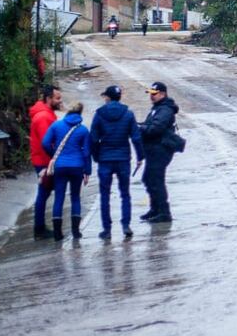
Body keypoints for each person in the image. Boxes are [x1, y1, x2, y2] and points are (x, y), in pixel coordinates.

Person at [90, 84, 144, 239]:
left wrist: (96, 156)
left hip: (105, 159)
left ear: (107, 97)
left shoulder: (99, 114)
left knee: (105, 194)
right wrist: (140, 156)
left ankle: (106, 229)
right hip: (123, 159)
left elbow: (93, 138)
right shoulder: (128, 114)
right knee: (125, 193)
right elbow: (135, 137)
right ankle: (126, 225)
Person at [41, 101, 91, 241]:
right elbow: (87, 152)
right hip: (77, 167)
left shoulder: (56, 125)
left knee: (59, 198)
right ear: (80, 113)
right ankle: (76, 232)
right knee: (75, 197)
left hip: (60, 167)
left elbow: (45, 143)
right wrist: (87, 171)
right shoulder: (83, 130)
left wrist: (54, 156)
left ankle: (58, 233)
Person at [138, 81, 179, 224]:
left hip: (161, 148)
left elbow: (155, 128)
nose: (151, 97)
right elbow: (150, 125)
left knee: (156, 180)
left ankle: (163, 212)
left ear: (163, 94)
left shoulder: (165, 110)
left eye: (154, 94)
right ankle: (155, 208)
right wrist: (141, 125)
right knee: (149, 179)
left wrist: (140, 129)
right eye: (151, 94)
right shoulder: (158, 108)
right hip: (154, 149)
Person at [28, 85, 61, 239]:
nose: (60, 101)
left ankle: (40, 227)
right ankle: (39, 228)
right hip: (44, 161)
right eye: (57, 98)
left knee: (44, 192)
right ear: (49, 99)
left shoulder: (45, 114)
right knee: (43, 193)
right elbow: (47, 142)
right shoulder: (43, 117)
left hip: (44, 159)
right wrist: (55, 159)